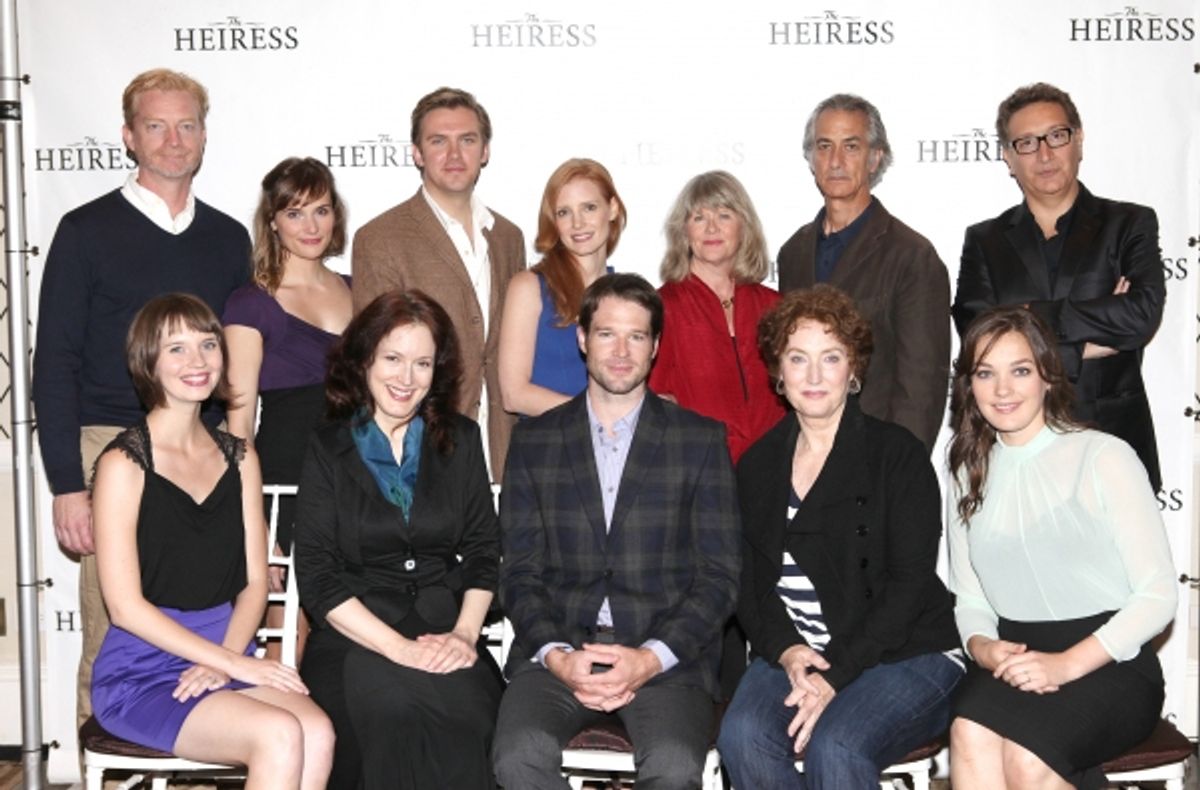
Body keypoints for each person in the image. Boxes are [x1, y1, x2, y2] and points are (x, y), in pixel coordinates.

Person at [32, 67, 251, 728]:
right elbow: (56, 360)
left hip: (201, 451)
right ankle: (98, 754)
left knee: (214, 613)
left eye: (187, 125)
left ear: (204, 135)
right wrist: (67, 486)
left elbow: (235, 360)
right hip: (109, 445)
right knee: (112, 628)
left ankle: (208, 747)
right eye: (156, 125)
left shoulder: (229, 238)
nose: (173, 140)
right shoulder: (85, 230)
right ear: (129, 136)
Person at [493, 273, 741, 790]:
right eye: (607, 334)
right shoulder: (535, 442)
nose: (622, 351)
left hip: (667, 660)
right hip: (560, 652)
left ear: (655, 346)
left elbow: (719, 578)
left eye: (637, 336)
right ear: (583, 339)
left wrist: (650, 658)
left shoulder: (698, 441)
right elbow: (518, 573)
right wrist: (558, 657)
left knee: (674, 765)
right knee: (517, 758)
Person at [718, 284, 964, 789]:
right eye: (797, 358)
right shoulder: (758, 464)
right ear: (778, 372)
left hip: (905, 651)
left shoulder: (896, 455)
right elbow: (746, 580)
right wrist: (787, 650)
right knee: (742, 736)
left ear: (853, 370)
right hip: (799, 650)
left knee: (838, 745)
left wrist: (835, 676)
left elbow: (910, 584)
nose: (813, 376)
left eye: (830, 358)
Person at [90, 294, 332, 788]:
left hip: (225, 647)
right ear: (147, 361)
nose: (197, 361)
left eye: (207, 344)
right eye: (176, 349)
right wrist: (226, 662)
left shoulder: (240, 457)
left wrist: (224, 659)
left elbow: (255, 583)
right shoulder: (122, 464)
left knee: (318, 732)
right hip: (144, 670)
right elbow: (124, 608)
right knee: (280, 734)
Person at [946, 307, 1176, 790]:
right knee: (968, 733)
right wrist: (984, 648)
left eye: (1020, 371)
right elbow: (970, 598)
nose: (1002, 390)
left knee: (1028, 759)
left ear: (1048, 376)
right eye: (985, 373)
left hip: (1109, 662)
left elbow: (1158, 597)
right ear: (969, 386)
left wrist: (1064, 664)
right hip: (1016, 660)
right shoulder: (966, 473)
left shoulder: (1104, 456)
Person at [294, 290, 503, 789]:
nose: (406, 379)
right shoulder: (327, 445)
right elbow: (317, 576)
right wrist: (398, 649)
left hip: (445, 630)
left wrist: (464, 636)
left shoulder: (461, 438)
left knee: (471, 716)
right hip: (356, 635)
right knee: (389, 715)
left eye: (422, 363)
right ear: (364, 359)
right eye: (392, 358)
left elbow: (483, 549)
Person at [952, 82, 1164, 490]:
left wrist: (1029, 316)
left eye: (1056, 136)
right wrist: (1087, 346)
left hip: (1113, 445)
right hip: (1015, 452)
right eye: (1027, 143)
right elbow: (980, 336)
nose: (1045, 154)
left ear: (1078, 140)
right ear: (1008, 157)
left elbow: (1140, 316)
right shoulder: (984, 240)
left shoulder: (1129, 224)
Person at [352, 86, 526, 479]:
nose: (454, 154)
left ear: (485, 151)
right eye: (438, 141)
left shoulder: (508, 237)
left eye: (467, 140)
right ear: (417, 153)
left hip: (502, 444)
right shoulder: (380, 238)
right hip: (422, 448)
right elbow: (377, 357)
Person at [777, 94, 950, 453]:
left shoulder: (912, 256)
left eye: (851, 146)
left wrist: (900, 469)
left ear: (875, 158)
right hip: (805, 453)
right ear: (811, 158)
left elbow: (921, 387)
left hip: (876, 457)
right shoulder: (793, 253)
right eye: (824, 146)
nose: (835, 161)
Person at [651, 170, 784, 464]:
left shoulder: (775, 306)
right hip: (699, 469)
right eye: (699, 218)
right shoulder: (661, 307)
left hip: (776, 468)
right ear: (684, 232)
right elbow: (651, 402)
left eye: (724, 215)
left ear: (744, 227)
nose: (711, 228)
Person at [498, 158, 626, 416]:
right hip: (550, 438)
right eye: (564, 212)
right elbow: (514, 395)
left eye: (589, 208)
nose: (577, 223)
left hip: (616, 438)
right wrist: (598, 417)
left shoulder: (627, 294)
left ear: (612, 209)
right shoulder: (529, 287)